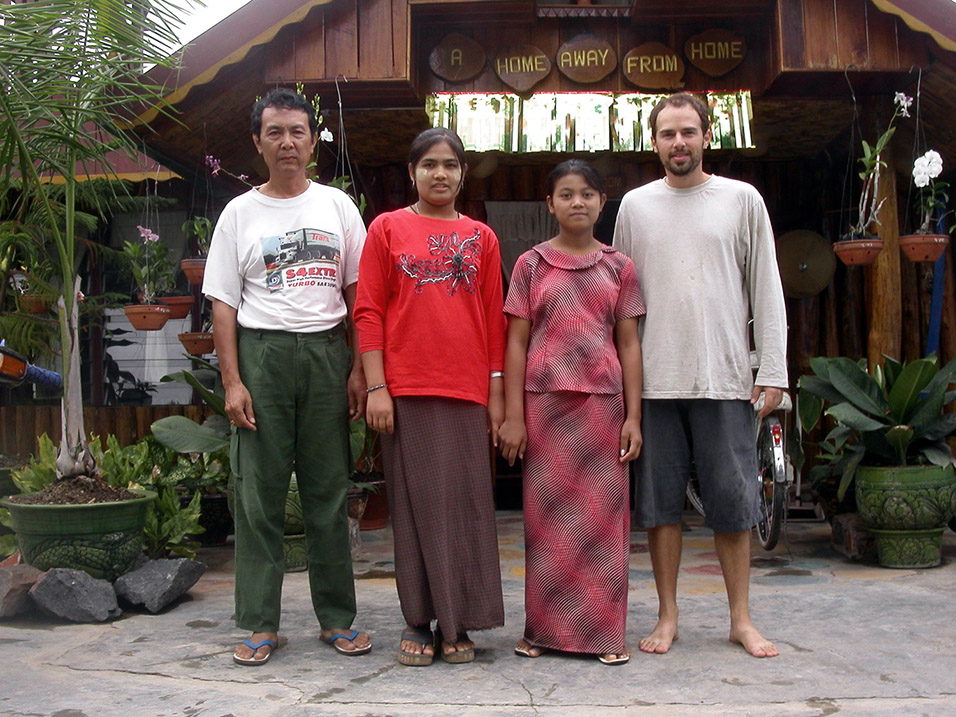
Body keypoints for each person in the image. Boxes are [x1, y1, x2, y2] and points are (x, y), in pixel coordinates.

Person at [612, 92, 788, 659]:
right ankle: (668, 616)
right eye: (667, 134)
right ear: (655, 141)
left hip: (725, 377)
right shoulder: (635, 207)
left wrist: (775, 370)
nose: (678, 143)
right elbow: (618, 300)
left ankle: (741, 618)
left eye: (688, 132)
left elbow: (766, 287)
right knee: (660, 508)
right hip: (655, 381)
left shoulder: (742, 200)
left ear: (706, 136)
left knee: (734, 505)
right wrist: (621, 385)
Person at [204, 88, 371, 666]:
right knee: (260, 495)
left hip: (328, 356)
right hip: (262, 358)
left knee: (328, 493)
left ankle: (337, 618)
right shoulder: (239, 214)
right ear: (257, 143)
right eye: (274, 133)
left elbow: (359, 295)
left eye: (297, 132)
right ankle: (258, 623)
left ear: (312, 139)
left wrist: (358, 367)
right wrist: (232, 380)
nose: (287, 143)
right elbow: (223, 305)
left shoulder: (338, 208)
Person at [354, 128, 506, 666]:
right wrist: (377, 386)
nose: (440, 174)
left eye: (450, 164)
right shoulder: (387, 229)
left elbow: (494, 322)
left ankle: (457, 620)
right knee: (416, 509)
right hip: (404, 390)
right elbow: (368, 310)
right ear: (412, 170)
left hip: (466, 393)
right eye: (429, 164)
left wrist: (498, 399)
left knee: (464, 507)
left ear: (463, 174)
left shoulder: (481, 237)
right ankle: (419, 619)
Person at [499, 160, 644, 666]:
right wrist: (513, 416)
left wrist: (634, 417)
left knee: (604, 526)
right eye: (566, 194)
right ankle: (541, 631)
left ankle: (605, 636)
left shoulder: (619, 267)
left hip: (603, 411)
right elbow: (515, 344)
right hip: (544, 411)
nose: (577, 202)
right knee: (546, 527)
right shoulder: (531, 265)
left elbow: (629, 345)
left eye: (587, 193)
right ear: (550, 204)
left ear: (603, 203)